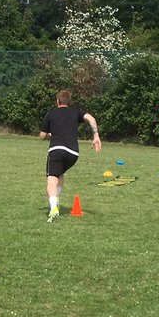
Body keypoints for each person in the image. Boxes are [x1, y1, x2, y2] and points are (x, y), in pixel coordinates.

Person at [39, 90, 101, 221]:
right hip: (73, 154)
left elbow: (42, 136)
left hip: (57, 150)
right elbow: (91, 119)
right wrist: (96, 136)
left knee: (52, 179)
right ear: (69, 102)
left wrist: (50, 135)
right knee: (60, 174)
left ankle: (53, 206)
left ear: (57, 101)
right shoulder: (76, 112)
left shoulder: (51, 113)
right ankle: (55, 201)